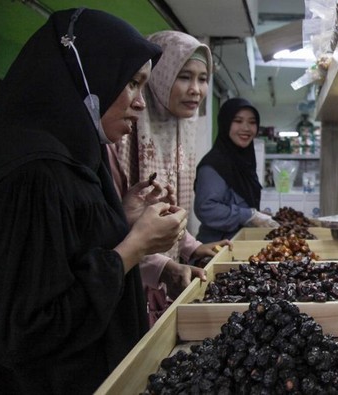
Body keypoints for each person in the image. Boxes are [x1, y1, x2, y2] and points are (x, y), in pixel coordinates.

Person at [0, 8, 188, 393]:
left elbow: (70, 251)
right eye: (131, 83)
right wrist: (133, 248)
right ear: (90, 76)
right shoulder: (35, 174)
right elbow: (28, 330)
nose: (141, 103)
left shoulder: (83, 156)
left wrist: (121, 219)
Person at [113, 31, 230, 323]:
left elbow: (166, 210)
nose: (196, 90)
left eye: (203, 79)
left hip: (164, 283)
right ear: (160, 76)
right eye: (184, 76)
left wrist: (190, 245)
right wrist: (161, 266)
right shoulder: (120, 133)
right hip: (123, 287)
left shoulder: (182, 130)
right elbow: (112, 224)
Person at [194, 97, 279, 242]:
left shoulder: (244, 161)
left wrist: (258, 216)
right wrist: (248, 215)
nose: (246, 128)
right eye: (238, 121)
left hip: (239, 244)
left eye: (252, 122)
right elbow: (206, 208)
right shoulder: (214, 164)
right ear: (225, 123)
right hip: (216, 249)